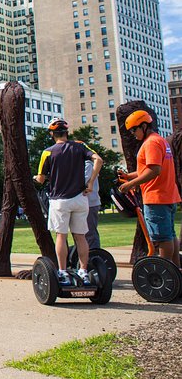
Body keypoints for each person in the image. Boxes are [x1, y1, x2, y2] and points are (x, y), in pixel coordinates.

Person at [34, 118, 103, 286]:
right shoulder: (79, 147)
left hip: (59, 200)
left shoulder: (48, 152)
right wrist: (91, 182)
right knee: (81, 237)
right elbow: (98, 160)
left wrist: (36, 178)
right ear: (67, 132)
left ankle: (63, 272)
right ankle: (83, 271)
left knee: (61, 236)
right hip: (80, 199)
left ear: (52, 134)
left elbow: (41, 179)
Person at [118, 110, 181, 267]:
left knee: (162, 238)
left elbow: (154, 170)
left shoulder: (151, 143)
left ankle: (165, 271)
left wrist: (130, 185)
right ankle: (175, 271)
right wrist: (128, 177)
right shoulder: (160, 141)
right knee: (170, 235)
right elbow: (148, 169)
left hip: (156, 197)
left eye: (134, 129)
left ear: (144, 126)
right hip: (167, 195)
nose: (133, 134)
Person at [85, 159, 101, 250]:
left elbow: (82, 182)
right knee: (82, 235)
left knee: (90, 233)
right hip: (83, 203)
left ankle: (94, 257)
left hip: (90, 203)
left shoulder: (88, 165)